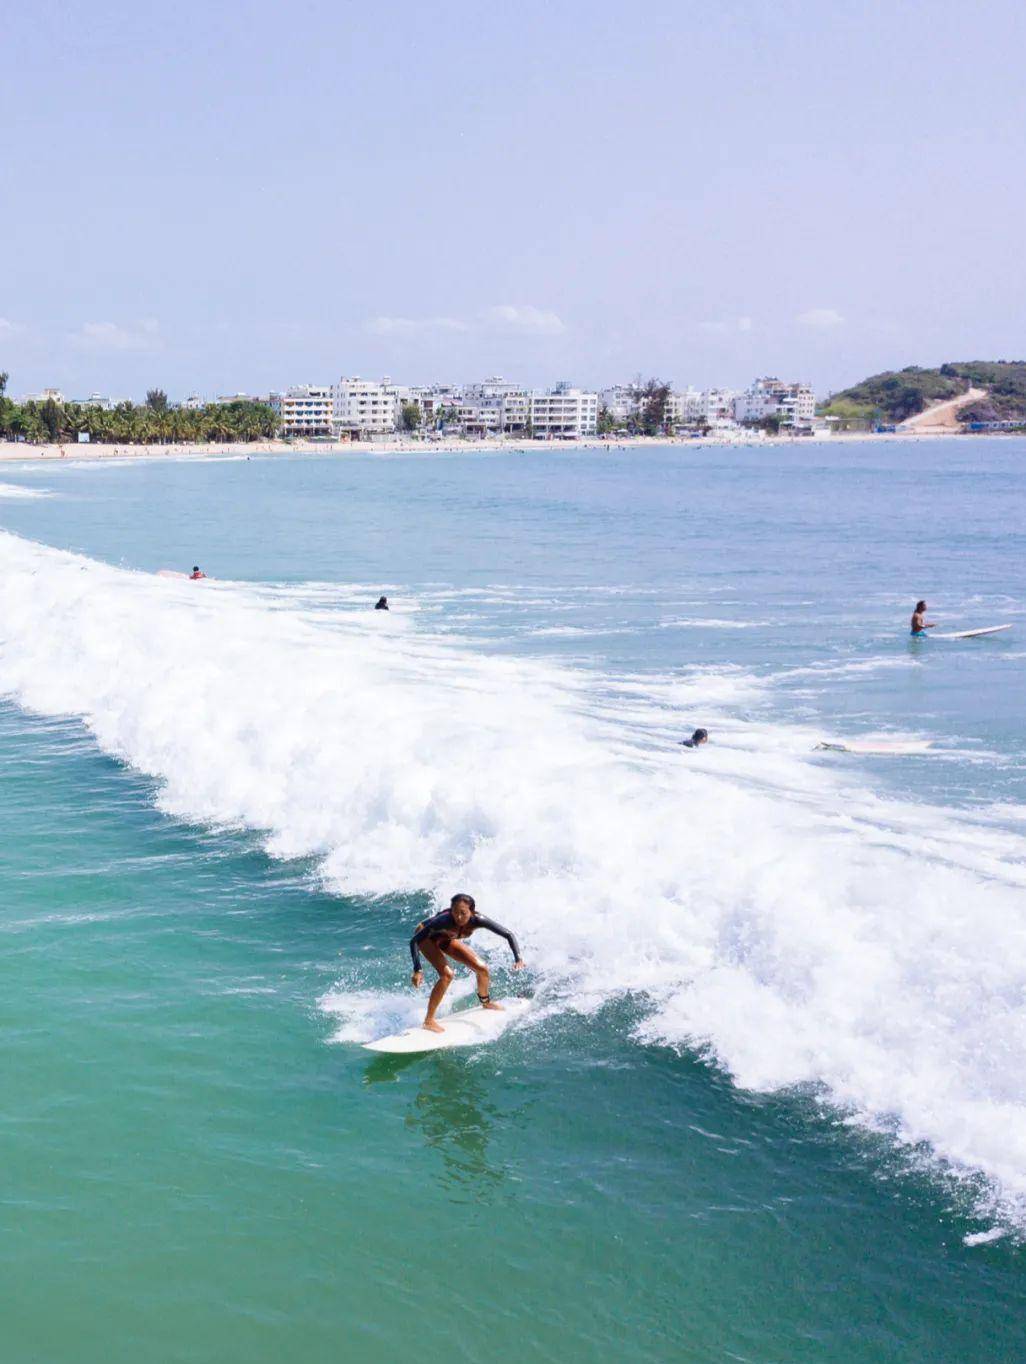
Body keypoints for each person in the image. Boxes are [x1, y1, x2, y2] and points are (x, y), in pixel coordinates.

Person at [410, 893, 525, 1034]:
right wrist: (418, 969)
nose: (458, 917)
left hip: (446, 938)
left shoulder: (478, 920)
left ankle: (486, 1002)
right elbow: (414, 940)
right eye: (455, 912)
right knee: (447, 975)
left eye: (463, 913)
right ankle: (429, 1021)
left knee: (482, 969)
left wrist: (518, 958)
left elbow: (508, 934)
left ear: (472, 911)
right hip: (425, 937)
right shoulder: (443, 921)